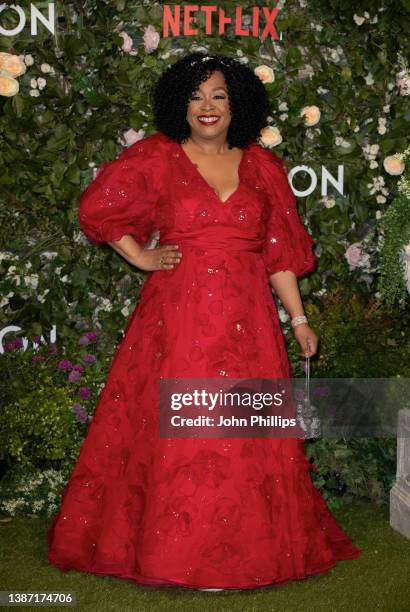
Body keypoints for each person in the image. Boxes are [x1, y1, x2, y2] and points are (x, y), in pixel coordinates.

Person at [46, 52, 362, 590]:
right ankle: (175, 553)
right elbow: (98, 208)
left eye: (218, 94)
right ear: (180, 105)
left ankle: (243, 553)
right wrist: (141, 256)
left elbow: (280, 254)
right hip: (177, 320)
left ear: (236, 103)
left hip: (248, 322)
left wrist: (300, 319)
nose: (207, 106)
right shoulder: (156, 157)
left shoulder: (263, 167)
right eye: (195, 96)